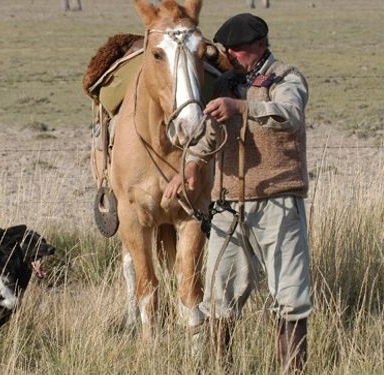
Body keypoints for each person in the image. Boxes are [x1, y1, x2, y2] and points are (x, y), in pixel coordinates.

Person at [164, 13, 311, 373]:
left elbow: (290, 113)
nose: (232, 55)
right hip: (227, 205)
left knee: (289, 296)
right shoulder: (226, 83)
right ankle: (221, 368)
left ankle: (293, 369)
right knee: (218, 295)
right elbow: (210, 136)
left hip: (276, 198)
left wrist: (242, 107)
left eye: (239, 50)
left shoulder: (285, 77)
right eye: (228, 50)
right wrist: (192, 165)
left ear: (259, 45)